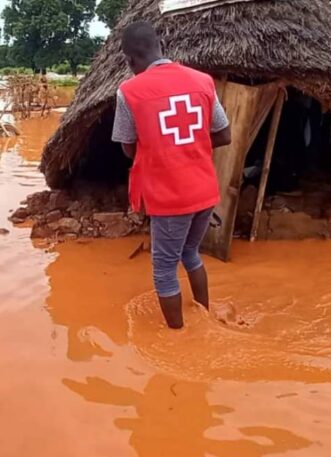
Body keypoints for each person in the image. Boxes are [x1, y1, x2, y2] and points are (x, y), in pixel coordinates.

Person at [112, 21, 232, 329]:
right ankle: (204, 314)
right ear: (159, 46)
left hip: (169, 196)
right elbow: (224, 133)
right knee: (191, 252)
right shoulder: (203, 81)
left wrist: (160, 147)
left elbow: (127, 149)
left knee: (164, 269)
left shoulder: (129, 91)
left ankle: (178, 338)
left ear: (130, 59)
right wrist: (192, 146)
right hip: (204, 190)